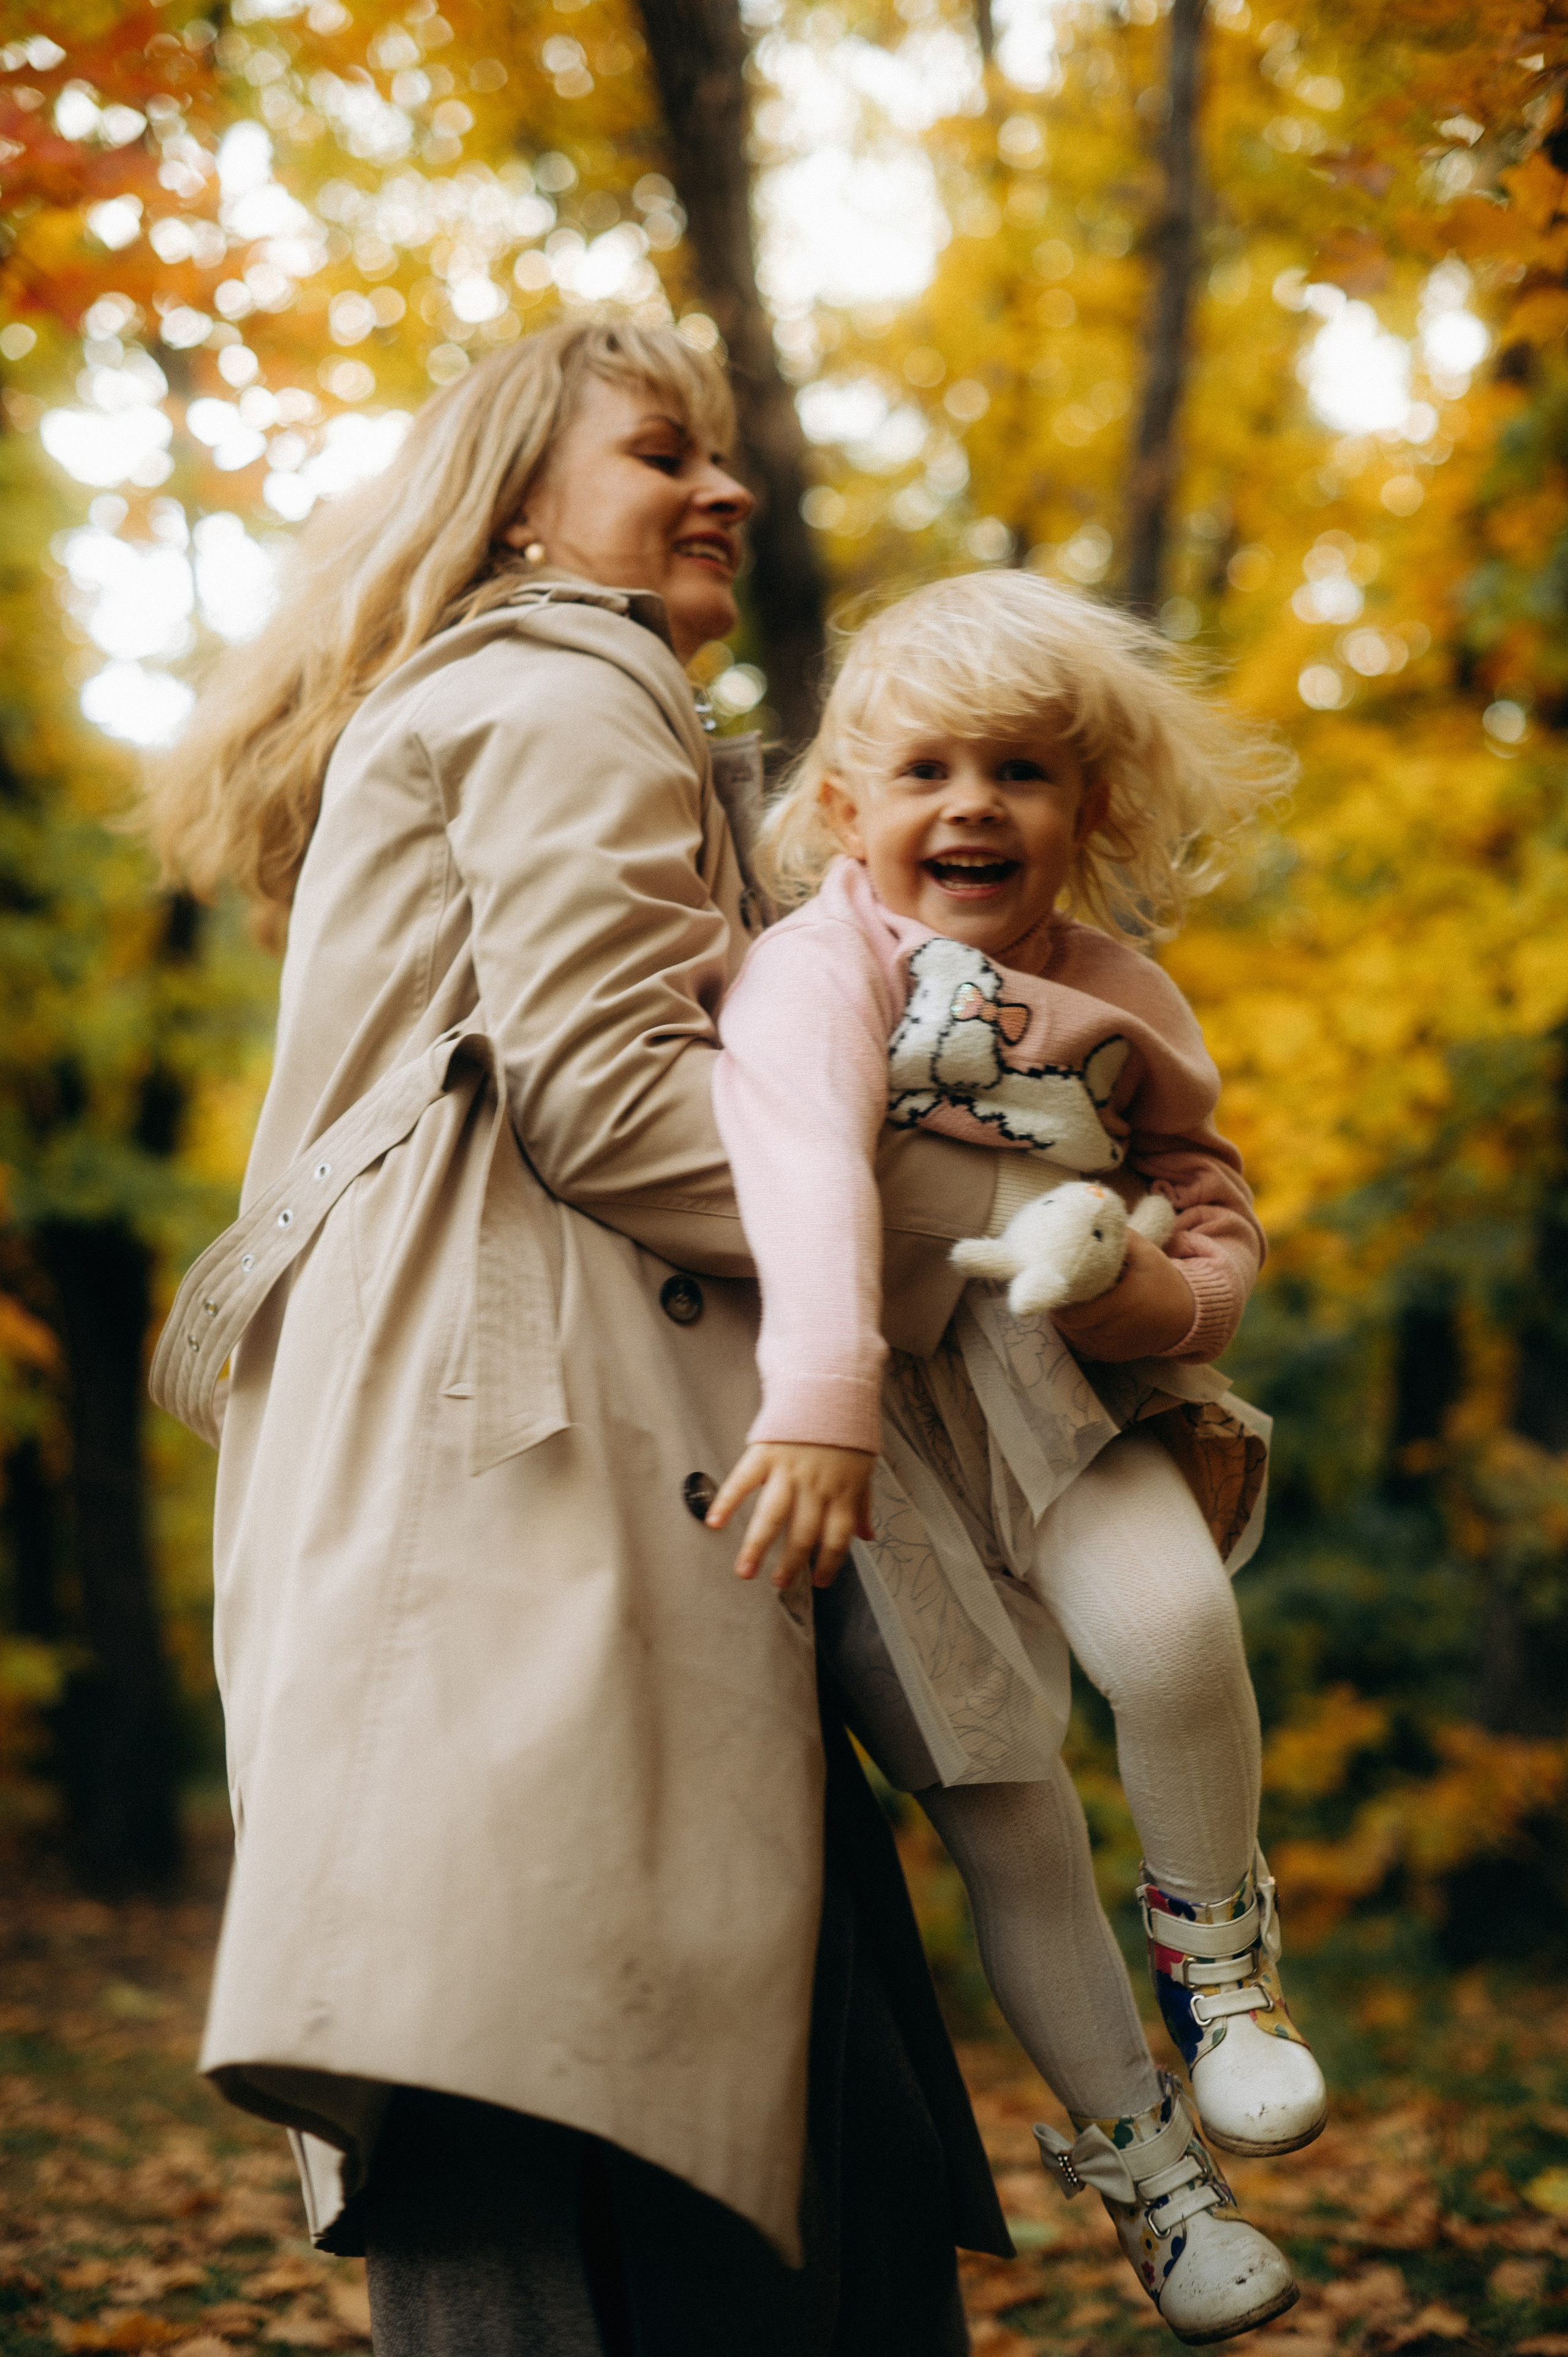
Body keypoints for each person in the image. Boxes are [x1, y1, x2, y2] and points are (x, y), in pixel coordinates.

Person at [144, 321, 1011, 2356]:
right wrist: (987, 1239)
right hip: (556, 1498)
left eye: (726, 455)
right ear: (528, 504)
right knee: (687, 2124)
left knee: (509, 2069)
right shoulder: (568, 673)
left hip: (479, 1503)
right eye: (662, 451)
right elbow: (618, 1105)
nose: (724, 488)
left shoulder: (483, 699)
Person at [705, 571, 1325, 2346]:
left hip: (1055, 1381)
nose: (972, 805)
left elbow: (1206, 1206)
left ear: (1087, 809)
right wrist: (820, 1397)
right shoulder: (815, 969)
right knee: (1003, 1804)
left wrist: (1141, 1282)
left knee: (1176, 1634)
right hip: (874, 1431)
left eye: (1023, 774)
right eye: (926, 771)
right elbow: (804, 1166)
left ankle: (1223, 1973)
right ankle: (1150, 2177)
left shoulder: (1119, 990)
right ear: (846, 810)